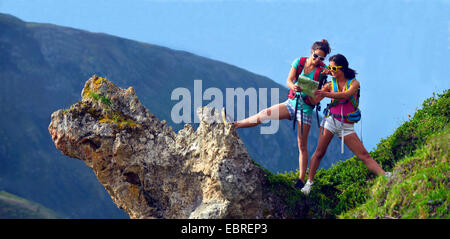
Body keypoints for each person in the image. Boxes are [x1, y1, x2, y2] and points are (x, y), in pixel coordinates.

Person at [222, 39, 332, 190]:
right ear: (311, 51)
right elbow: (288, 80)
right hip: (291, 103)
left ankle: (301, 179)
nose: (318, 60)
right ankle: (234, 125)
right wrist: (293, 86)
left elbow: (334, 75)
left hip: (306, 109)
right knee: (265, 113)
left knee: (302, 145)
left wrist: (330, 72)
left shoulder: (323, 70)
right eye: (316, 56)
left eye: (321, 58)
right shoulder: (299, 62)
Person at [300, 54, 392, 195]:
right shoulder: (329, 84)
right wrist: (306, 90)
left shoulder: (354, 83)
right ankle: (308, 183)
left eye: (334, 68)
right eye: (330, 67)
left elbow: (345, 95)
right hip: (330, 121)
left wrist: (325, 94)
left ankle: (385, 176)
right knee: (319, 153)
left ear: (342, 69)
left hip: (346, 126)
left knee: (364, 155)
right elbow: (315, 100)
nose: (331, 70)